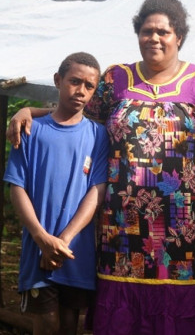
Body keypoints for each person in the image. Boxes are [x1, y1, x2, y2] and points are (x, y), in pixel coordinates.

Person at [7, 0, 195, 335]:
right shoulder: (116, 80)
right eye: (147, 31)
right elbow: (74, 111)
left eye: (163, 31)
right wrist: (30, 111)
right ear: (138, 35)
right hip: (123, 229)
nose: (155, 38)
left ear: (179, 36)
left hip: (188, 228)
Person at [4, 52, 109, 335]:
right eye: (75, 82)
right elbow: (17, 188)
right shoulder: (29, 130)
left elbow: (96, 191)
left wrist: (62, 241)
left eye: (89, 86)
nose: (81, 91)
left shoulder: (98, 136)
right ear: (57, 80)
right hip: (38, 249)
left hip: (76, 250)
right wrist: (42, 238)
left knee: (69, 324)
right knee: (47, 323)